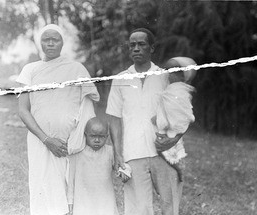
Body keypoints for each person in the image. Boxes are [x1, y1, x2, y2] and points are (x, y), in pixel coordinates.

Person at [17, 24, 99, 215]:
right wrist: (46, 139)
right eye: (46, 39)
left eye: (56, 39)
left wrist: (77, 139)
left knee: (71, 193)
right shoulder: (30, 69)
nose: (51, 43)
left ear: (62, 43)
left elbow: (87, 107)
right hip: (40, 141)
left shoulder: (76, 68)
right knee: (42, 189)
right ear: (40, 42)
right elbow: (23, 110)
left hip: (71, 143)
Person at [106, 28, 184, 215]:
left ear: (152, 48)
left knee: (170, 204)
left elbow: (183, 112)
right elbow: (114, 118)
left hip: (165, 152)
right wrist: (118, 153)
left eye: (141, 44)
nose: (136, 49)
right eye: (132, 45)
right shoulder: (120, 79)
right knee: (137, 209)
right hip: (133, 152)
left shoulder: (166, 76)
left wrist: (174, 139)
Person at [67, 117, 131, 215]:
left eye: (101, 136)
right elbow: (70, 181)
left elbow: (122, 165)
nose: (97, 140)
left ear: (107, 136)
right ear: (85, 135)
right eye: (93, 136)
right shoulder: (77, 154)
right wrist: (70, 204)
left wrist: (125, 172)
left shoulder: (110, 152)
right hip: (83, 203)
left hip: (105, 202)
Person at [152, 57, 197, 182]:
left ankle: (178, 169)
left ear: (182, 76)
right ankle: (176, 167)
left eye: (173, 72)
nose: (168, 74)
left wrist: (162, 121)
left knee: (165, 149)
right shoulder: (172, 87)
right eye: (168, 70)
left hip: (172, 126)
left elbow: (176, 109)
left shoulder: (178, 89)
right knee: (163, 149)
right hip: (169, 124)